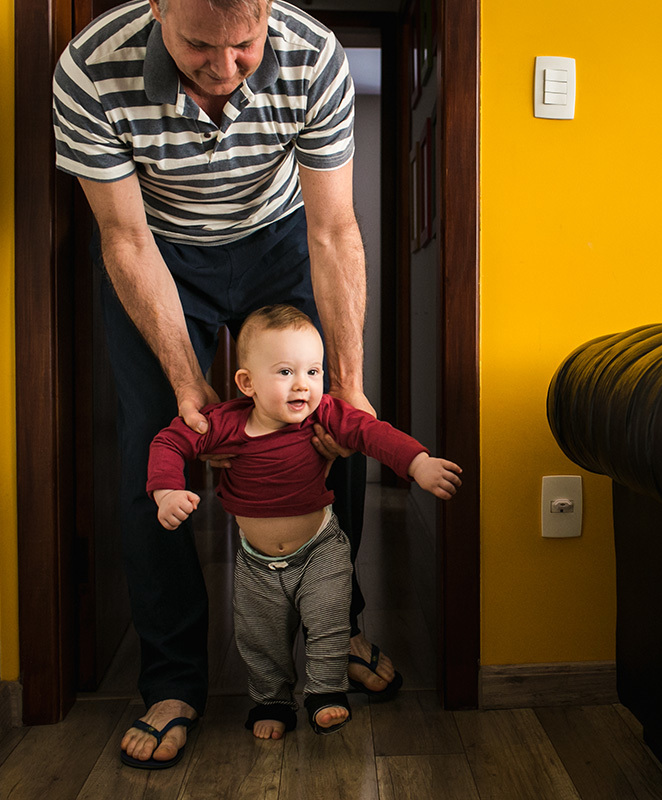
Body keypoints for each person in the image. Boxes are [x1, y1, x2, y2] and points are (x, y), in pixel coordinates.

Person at [52, 0, 396, 767]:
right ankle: (171, 680)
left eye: (244, 45)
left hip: (279, 239)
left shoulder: (313, 56)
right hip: (157, 248)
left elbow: (334, 229)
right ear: (160, 9)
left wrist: (350, 382)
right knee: (158, 448)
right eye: (198, 44)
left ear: (268, 12)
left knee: (332, 423)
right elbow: (124, 234)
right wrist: (186, 382)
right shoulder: (88, 69)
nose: (223, 68)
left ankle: (336, 637)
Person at [147, 306, 461, 739]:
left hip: (321, 549)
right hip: (256, 563)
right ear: (246, 383)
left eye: (314, 371)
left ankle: (326, 693)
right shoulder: (225, 423)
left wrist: (417, 463)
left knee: (330, 625)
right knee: (261, 639)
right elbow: (169, 440)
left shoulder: (324, 414)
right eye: (285, 372)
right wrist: (165, 489)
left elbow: (373, 433)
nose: (303, 385)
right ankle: (271, 700)